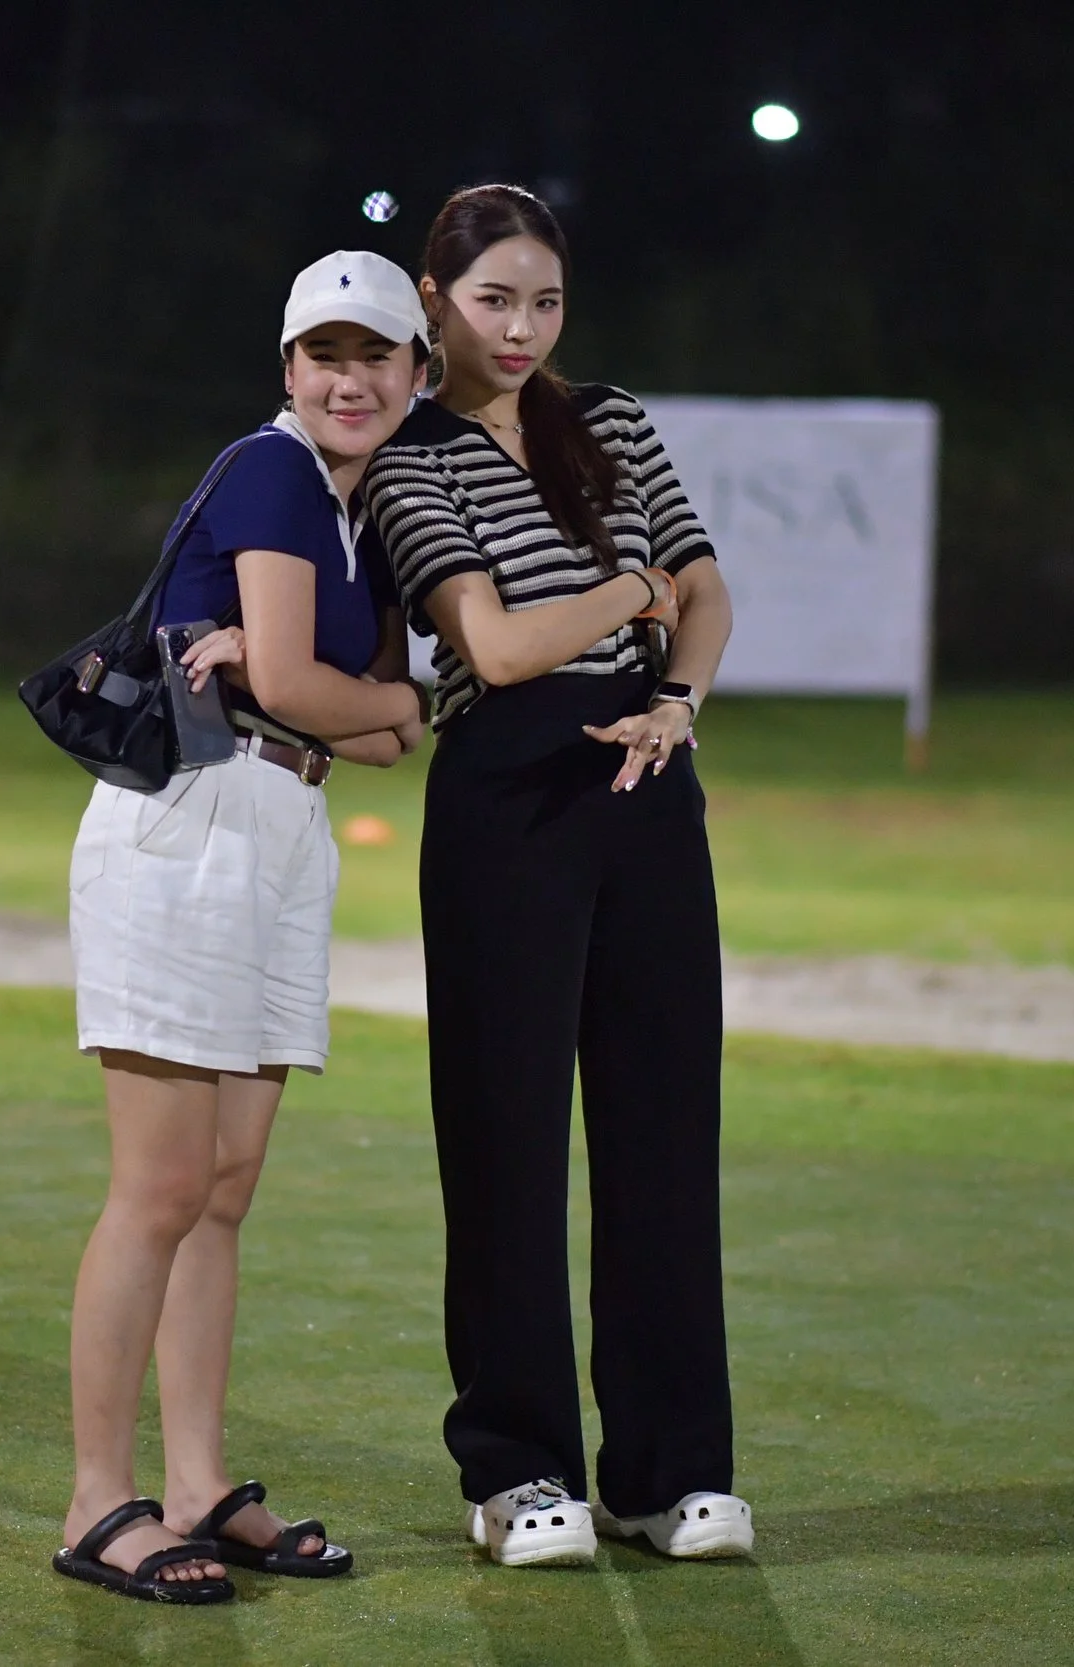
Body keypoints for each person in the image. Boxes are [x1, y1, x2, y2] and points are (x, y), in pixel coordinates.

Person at [365, 185, 750, 1567]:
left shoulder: (618, 423)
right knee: (507, 1142)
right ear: (434, 300)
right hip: (507, 801)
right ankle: (521, 1470)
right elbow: (502, 647)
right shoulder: (411, 461)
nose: (520, 329)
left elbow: (706, 586)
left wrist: (683, 694)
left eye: (543, 301)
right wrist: (632, 599)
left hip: (649, 781)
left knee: (661, 1138)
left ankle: (667, 1473)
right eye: (492, 300)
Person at [50, 251, 435, 1605]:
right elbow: (296, 683)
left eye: (375, 355)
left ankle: (201, 1482)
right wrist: (353, 701)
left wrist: (363, 706)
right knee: (159, 1190)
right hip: (190, 831)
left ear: (413, 375)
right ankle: (102, 1501)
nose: (349, 377)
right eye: (324, 354)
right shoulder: (273, 470)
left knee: (224, 1192)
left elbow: (385, 715)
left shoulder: (359, 510)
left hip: (281, 833)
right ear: (288, 369)